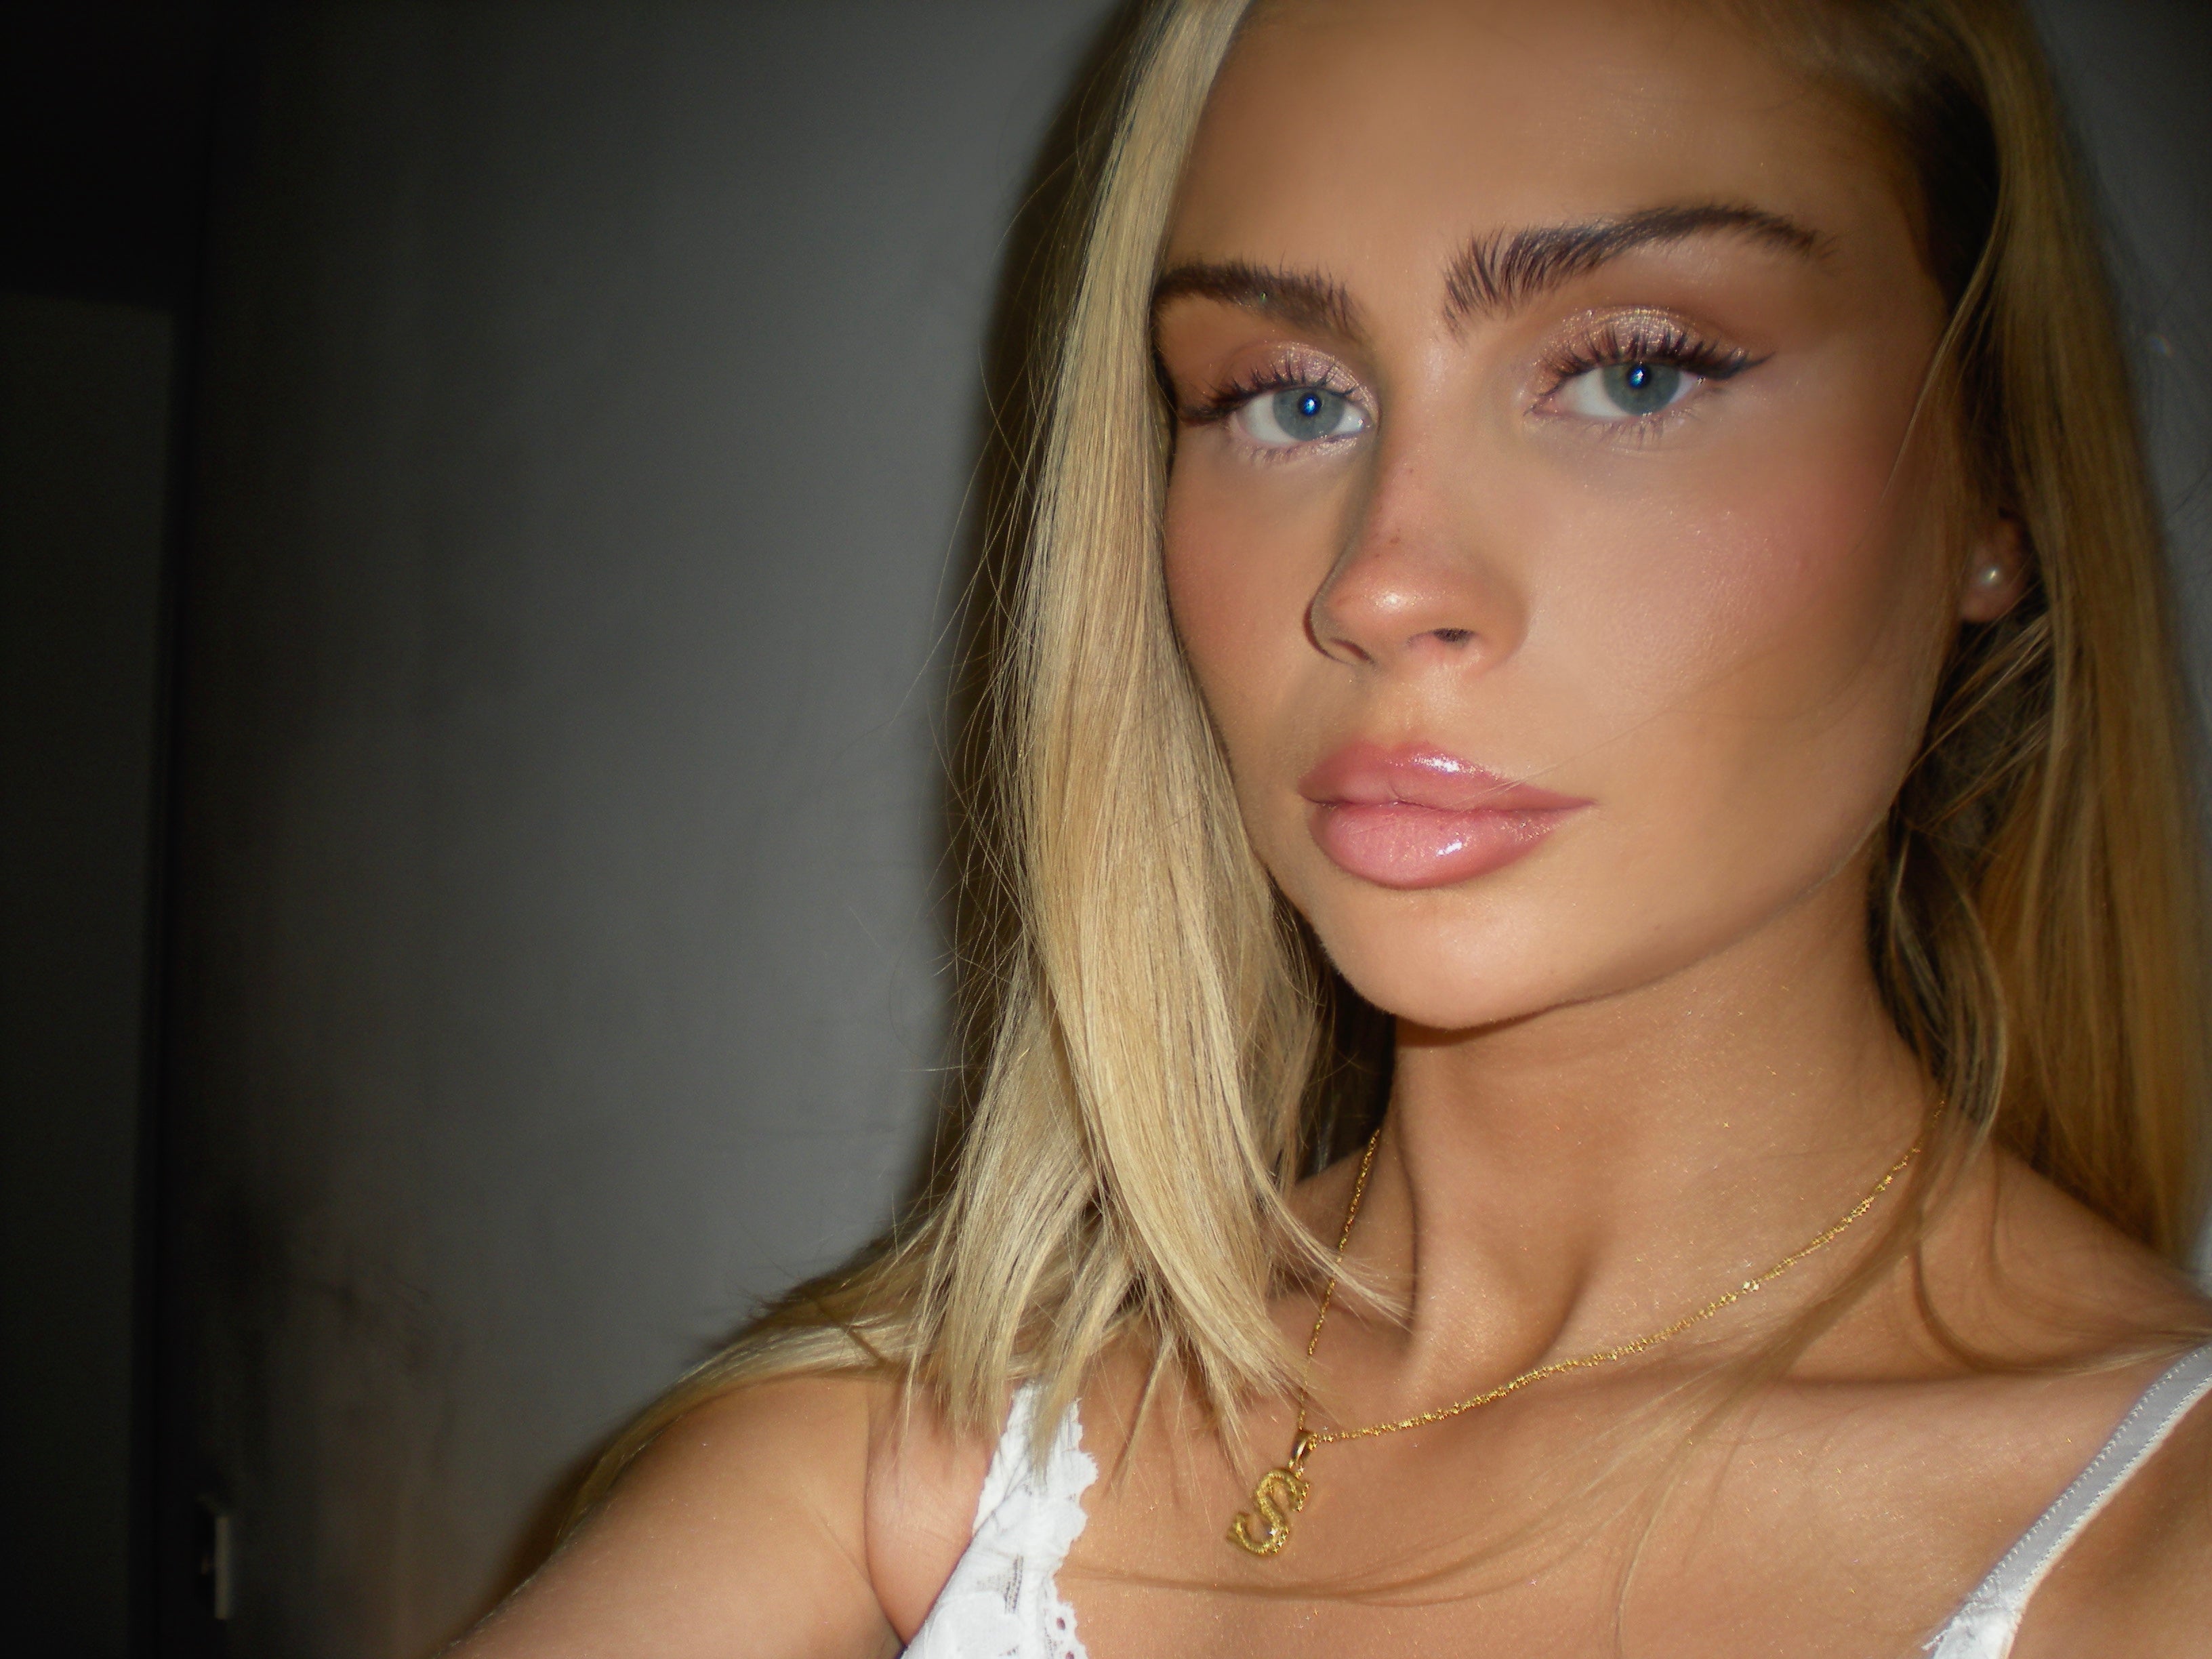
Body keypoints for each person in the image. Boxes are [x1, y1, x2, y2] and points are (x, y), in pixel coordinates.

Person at [449, 1, 2212, 1653]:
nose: (1379, 582)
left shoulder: (2156, 1543)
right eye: (1288, 399)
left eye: (1636, 374)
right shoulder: (896, 1465)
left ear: (1994, 480)